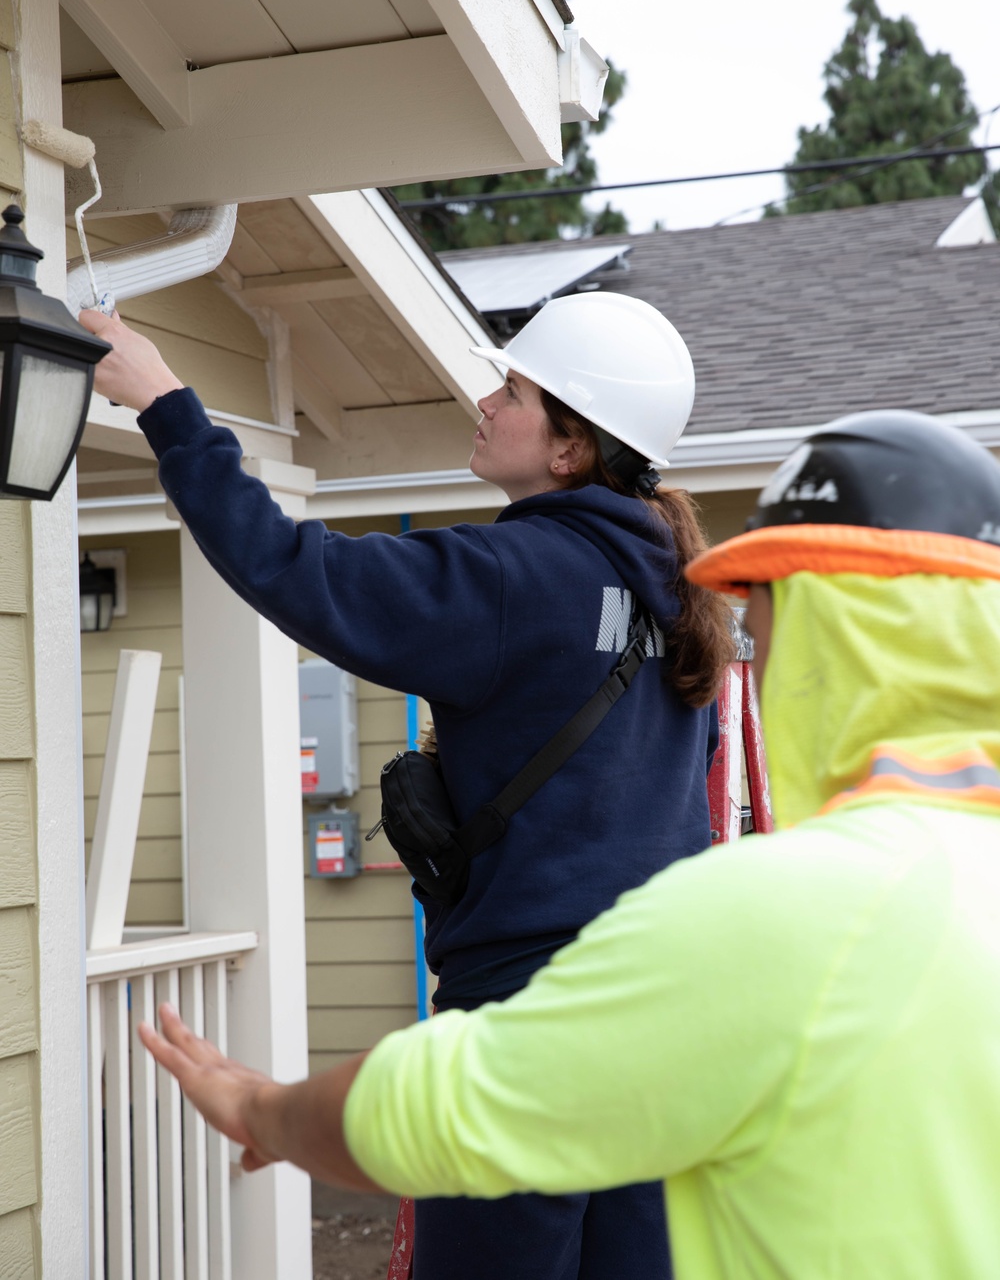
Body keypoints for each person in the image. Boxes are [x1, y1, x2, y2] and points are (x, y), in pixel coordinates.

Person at [139, 408, 1000, 1280]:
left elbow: (442, 1112)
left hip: (546, 1008)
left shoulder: (780, 916)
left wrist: (262, 1108)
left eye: (766, 612)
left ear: (824, 631)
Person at [81, 290, 732, 1280]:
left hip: (527, 1027)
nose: (486, 399)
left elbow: (301, 572)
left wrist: (166, 403)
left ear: (569, 449)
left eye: (512, 390)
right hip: (668, 1029)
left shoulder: (524, 572)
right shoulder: (679, 596)